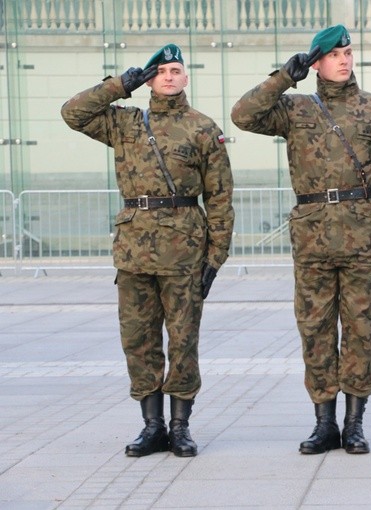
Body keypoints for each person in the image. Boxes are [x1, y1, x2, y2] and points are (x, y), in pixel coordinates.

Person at [231, 25, 371, 455]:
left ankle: (353, 424)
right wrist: (282, 78)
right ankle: (323, 423)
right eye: (334, 55)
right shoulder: (294, 109)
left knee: (361, 331)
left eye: (348, 52)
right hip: (313, 239)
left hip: (364, 237)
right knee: (314, 330)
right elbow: (244, 115)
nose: (344, 60)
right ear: (316, 63)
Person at [61, 44, 235, 457]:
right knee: (138, 340)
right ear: (150, 79)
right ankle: (151, 426)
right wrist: (121, 84)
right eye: (160, 71)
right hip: (134, 249)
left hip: (184, 250)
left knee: (183, 340)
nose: (169, 77)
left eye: (176, 70)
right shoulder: (124, 123)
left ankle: (180, 427)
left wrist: (216, 257)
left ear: (186, 78)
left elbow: (221, 197)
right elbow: (72, 113)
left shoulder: (203, 127)